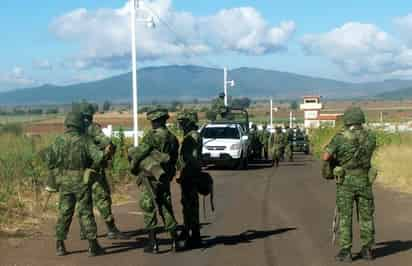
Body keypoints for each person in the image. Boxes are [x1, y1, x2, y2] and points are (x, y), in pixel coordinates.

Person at [44, 111, 108, 257]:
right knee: (85, 212)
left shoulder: (58, 140)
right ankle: (93, 246)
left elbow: (49, 161)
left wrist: (59, 176)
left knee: (64, 212)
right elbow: (98, 158)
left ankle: (59, 245)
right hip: (81, 181)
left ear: (68, 123)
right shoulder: (85, 140)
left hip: (64, 182)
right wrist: (106, 153)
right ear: (80, 124)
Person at [323, 107, 377, 262]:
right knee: (366, 216)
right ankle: (367, 250)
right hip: (364, 181)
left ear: (347, 120)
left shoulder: (340, 138)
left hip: (346, 182)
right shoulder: (371, 137)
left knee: (346, 217)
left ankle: (346, 251)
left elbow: (326, 156)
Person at [128, 108, 180, 253]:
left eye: (152, 121)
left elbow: (140, 153)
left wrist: (132, 166)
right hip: (165, 178)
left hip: (149, 178)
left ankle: (153, 243)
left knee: (148, 208)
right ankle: (175, 241)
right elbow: (174, 159)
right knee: (166, 207)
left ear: (156, 121)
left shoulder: (152, 136)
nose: (151, 124)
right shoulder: (172, 137)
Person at [78, 102, 128, 240]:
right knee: (103, 199)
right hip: (94, 171)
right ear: (91, 115)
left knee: (83, 201)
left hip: (78, 172)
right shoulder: (92, 128)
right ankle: (111, 229)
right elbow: (107, 143)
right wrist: (106, 157)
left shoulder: (75, 129)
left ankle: (84, 231)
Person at [176, 110, 203, 249]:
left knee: (189, 205)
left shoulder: (191, 137)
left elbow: (191, 158)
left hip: (190, 175)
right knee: (191, 204)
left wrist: (183, 171)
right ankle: (193, 234)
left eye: (183, 122)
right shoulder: (193, 135)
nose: (180, 125)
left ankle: (193, 236)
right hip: (191, 174)